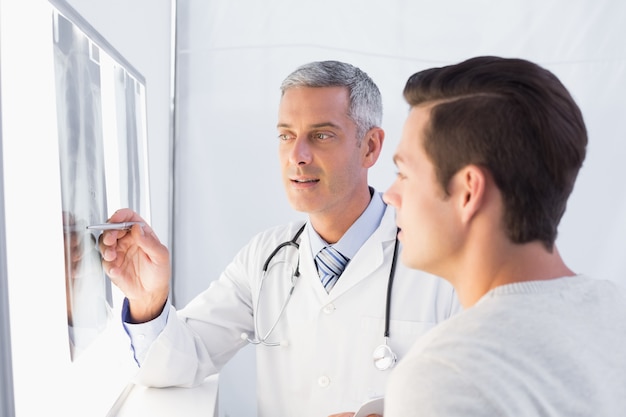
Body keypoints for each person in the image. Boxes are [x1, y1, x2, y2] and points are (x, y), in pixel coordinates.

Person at [99, 60, 460, 417]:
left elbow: (483, 396)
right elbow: (180, 363)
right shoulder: (264, 258)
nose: (297, 156)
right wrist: (147, 299)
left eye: (321, 135)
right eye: (286, 135)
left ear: (370, 147)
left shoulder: (439, 262)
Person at [382, 56, 626, 416]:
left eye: (403, 173)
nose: (390, 195)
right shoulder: (614, 312)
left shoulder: (444, 373)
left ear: (468, 192)